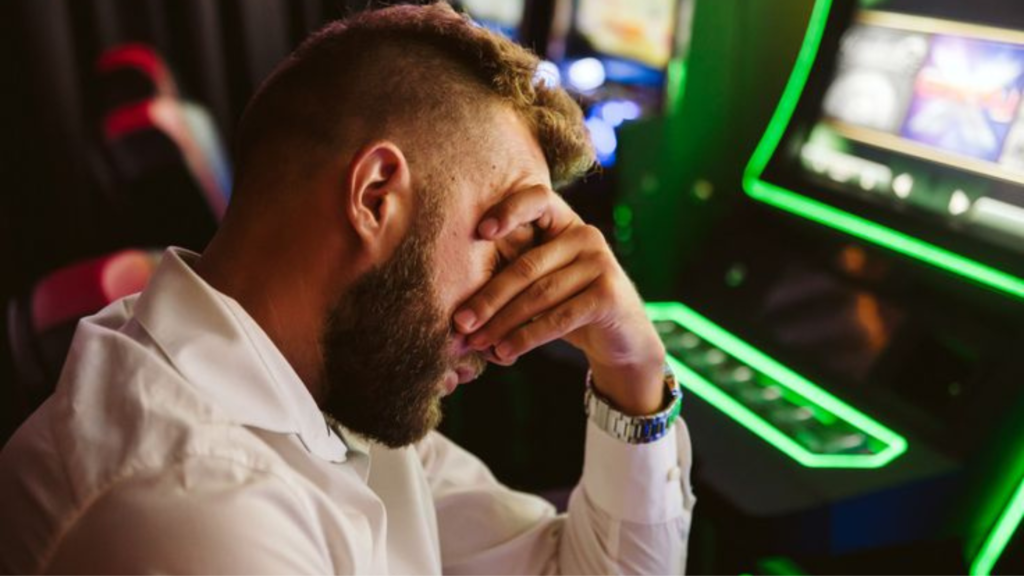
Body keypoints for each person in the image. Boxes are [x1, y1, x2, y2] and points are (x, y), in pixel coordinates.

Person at [0, 3, 695, 573]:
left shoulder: (324, 381)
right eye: (505, 245)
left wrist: (631, 367)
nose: (506, 331)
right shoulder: (195, 513)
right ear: (375, 195)